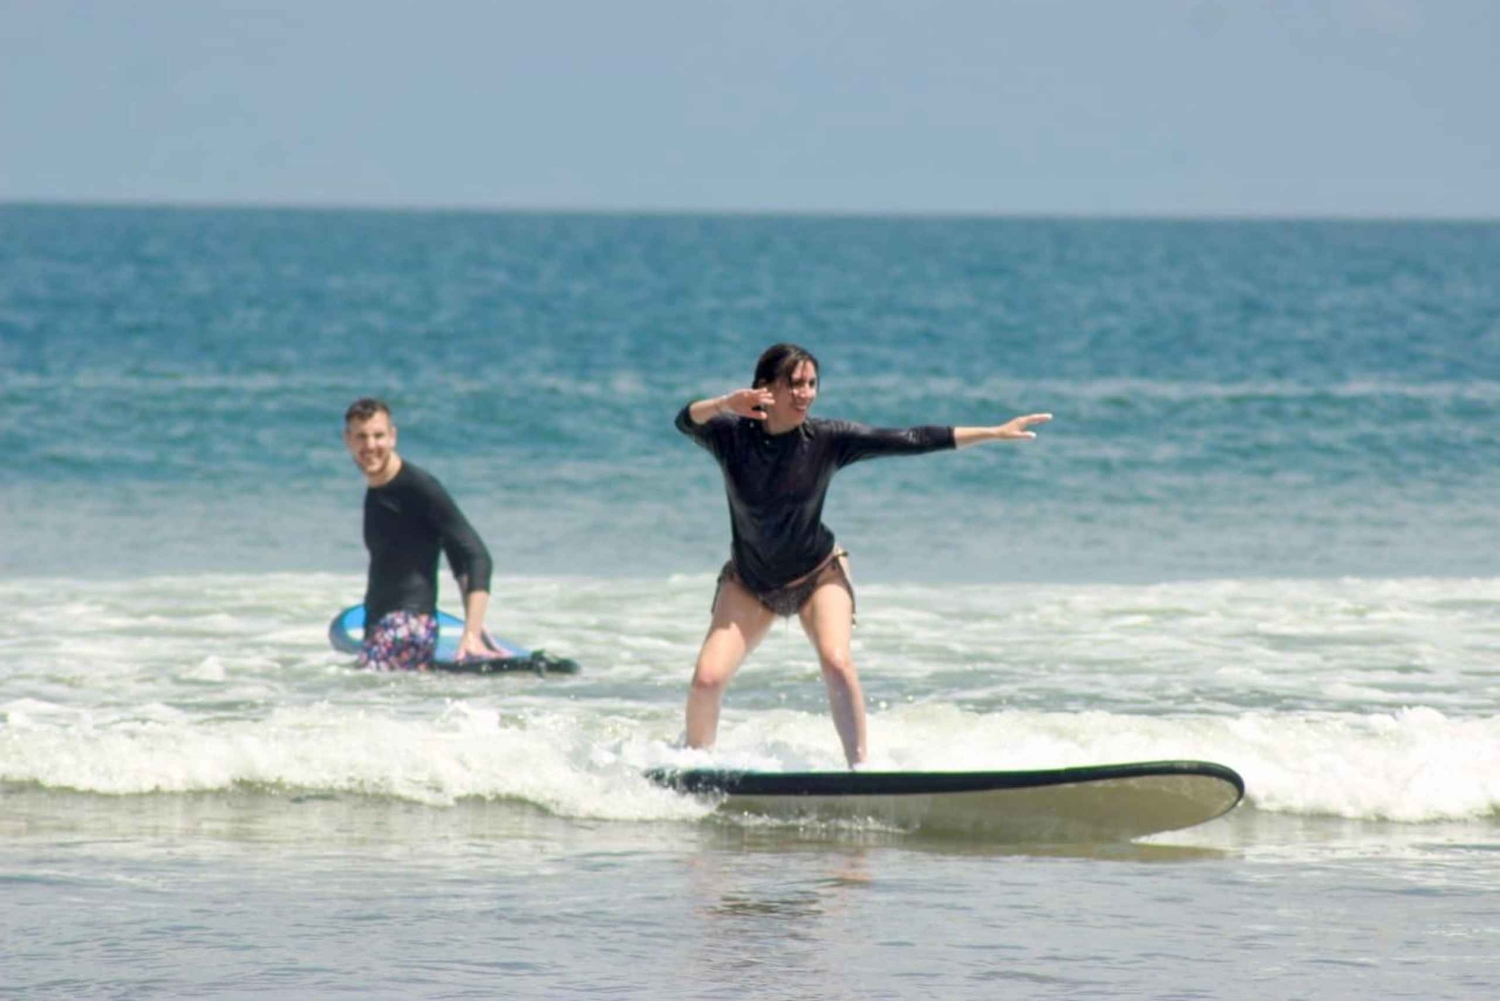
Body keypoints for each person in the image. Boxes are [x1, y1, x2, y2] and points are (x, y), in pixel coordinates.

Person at [675, 343, 1051, 766]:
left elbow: (910, 438)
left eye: (812, 383)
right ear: (764, 389)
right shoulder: (731, 436)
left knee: (836, 662)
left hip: (817, 574)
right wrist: (724, 403)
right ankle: (693, 768)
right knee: (707, 680)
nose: (805, 393)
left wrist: (993, 433)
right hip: (750, 580)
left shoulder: (826, 440)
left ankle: (859, 769)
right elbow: (685, 419)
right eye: (794, 383)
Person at [342, 397, 494, 671]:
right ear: (348, 440)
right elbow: (451, 550)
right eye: (361, 437)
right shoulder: (377, 488)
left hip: (409, 626)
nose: (370, 446)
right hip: (380, 626)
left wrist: (472, 632)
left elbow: (474, 555)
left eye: (378, 436)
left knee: (356, 695)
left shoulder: (419, 487)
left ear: (393, 437)